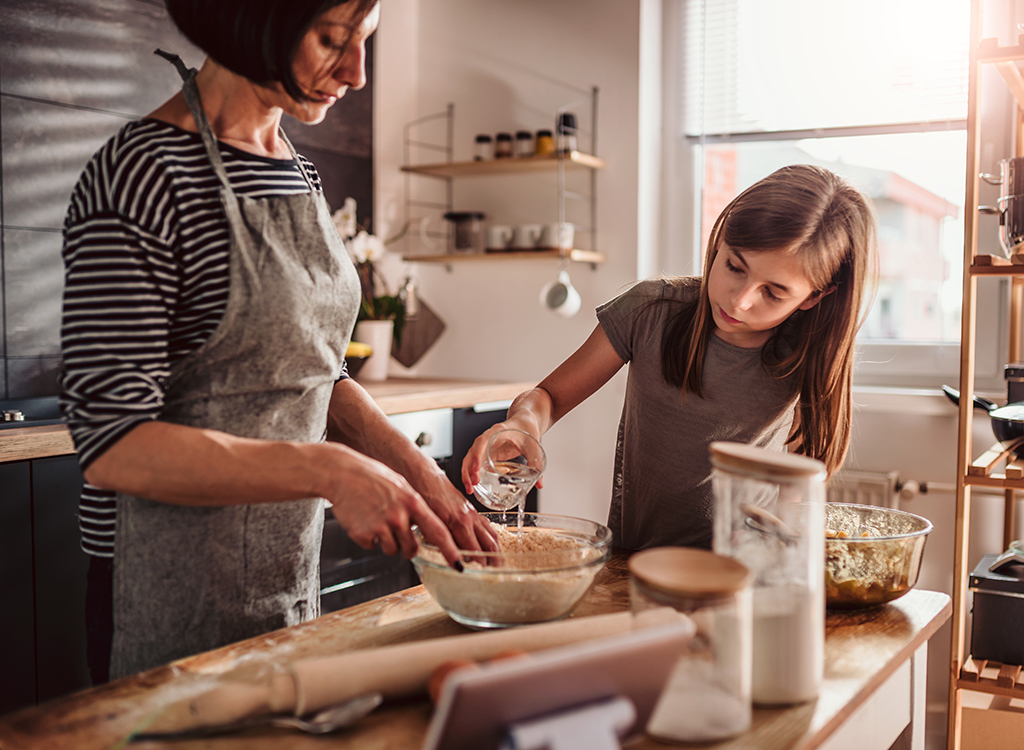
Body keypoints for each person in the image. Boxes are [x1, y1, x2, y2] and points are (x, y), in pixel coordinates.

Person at [60, 0, 493, 683]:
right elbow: (113, 445)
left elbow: (319, 373)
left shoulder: (297, 169)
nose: (356, 74)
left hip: (283, 571)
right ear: (252, 20)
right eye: (331, 40)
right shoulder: (143, 172)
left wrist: (426, 479)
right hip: (164, 588)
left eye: (365, 41)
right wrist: (331, 471)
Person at [462, 164, 878, 551]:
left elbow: (802, 479)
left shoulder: (807, 353)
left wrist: (783, 541)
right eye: (734, 266)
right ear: (720, 240)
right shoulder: (650, 310)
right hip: (636, 562)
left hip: (743, 571)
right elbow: (548, 397)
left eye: (773, 293)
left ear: (814, 297)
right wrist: (524, 422)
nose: (740, 300)